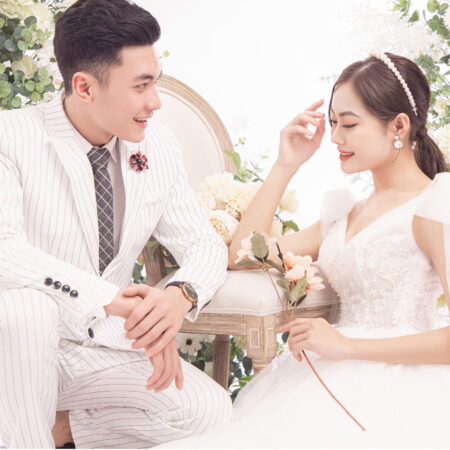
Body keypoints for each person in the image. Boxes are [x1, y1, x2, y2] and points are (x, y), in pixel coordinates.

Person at [159, 52, 450, 449]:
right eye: (333, 123)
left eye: (349, 124)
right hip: (326, 373)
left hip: (399, 386)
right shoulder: (344, 214)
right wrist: (285, 165)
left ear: (398, 125)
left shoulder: (434, 206)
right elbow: (242, 254)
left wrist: (347, 347)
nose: (335, 137)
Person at [0, 0, 232, 447]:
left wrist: (176, 299)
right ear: (84, 87)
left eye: (156, 81)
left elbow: (204, 245)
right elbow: (4, 251)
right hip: (16, 347)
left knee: (208, 412)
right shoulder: (10, 137)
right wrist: (109, 299)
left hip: (96, 349)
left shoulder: (157, 145)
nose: (155, 101)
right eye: (141, 86)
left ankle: (56, 429)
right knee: (26, 308)